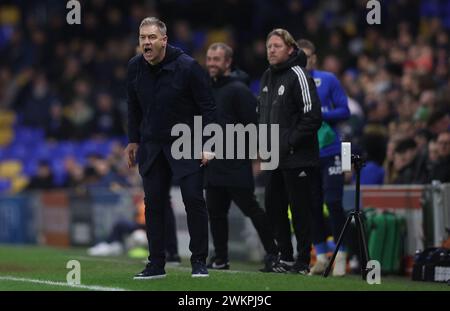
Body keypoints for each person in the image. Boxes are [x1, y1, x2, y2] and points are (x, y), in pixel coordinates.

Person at [125, 17, 216, 279]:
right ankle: (156, 263)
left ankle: (199, 261)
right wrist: (133, 140)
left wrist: (209, 144)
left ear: (164, 40)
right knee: (153, 204)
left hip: (185, 142)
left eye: (151, 37)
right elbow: (132, 106)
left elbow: (209, 108)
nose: (146, 43)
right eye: (142, 37)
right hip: (152, 145)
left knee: (193, 200)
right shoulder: (134, 67)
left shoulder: (188, 67)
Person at [204, 43, 280, 271]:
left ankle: (273, 253)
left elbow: (254, 125)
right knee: (216, 214)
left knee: (251, 210)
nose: (211, 63)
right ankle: (220, 257)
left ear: (228, 62)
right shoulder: (208, 88)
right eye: (209, 59)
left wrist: (254, 155)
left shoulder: (238, 89)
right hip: (214, 163)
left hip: (235, 162)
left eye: (216, 59)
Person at [258, 29, 322, 275]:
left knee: (300, 209)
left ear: (291, 49)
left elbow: (313, 116)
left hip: (297, 157)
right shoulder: (266, 76)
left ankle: (303, 260)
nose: (271, 50)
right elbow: (261, 114)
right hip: (273, 156)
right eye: (268, 46)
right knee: (273, 207)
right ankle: (285, 256)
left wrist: (289, 143)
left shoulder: (299, 74)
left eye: (276, 46)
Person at [297, 39, 350, 276]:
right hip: (306, 154)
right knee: (313, 206)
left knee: (334, 203)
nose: (305, 60)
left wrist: (320, 113)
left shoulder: (328, 79)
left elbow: (345, 110)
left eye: (308, 56)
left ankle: (341, 255)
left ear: (315, 58)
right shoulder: (291, 83)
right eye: (300, 56)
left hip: (331, 151)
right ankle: (319, 257)